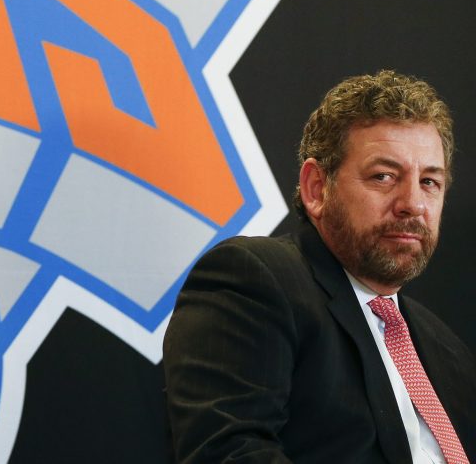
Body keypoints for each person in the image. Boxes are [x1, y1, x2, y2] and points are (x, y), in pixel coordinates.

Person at [164, 70, 476, 463]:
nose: (412, 203)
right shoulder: (256, 281)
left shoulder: (446, 349)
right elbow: (229, 452)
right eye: (384, 176)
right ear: (316, 188)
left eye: (430, 181)